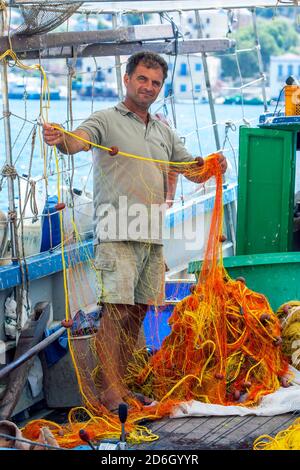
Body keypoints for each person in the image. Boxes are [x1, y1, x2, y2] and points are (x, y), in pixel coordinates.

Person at [43, 51, 227, 411]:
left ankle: (120, 385)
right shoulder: (105, 119)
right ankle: (109, 392)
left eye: (156, 82)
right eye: (142, 79)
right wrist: (59, 138)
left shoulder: (163, 131)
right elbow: (77, 141)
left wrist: (213, 164)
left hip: (152, 234)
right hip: (116, 231)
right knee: (116, 309)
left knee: (138, 310)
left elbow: (190, 168)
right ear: (126, 79)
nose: (149, 87)